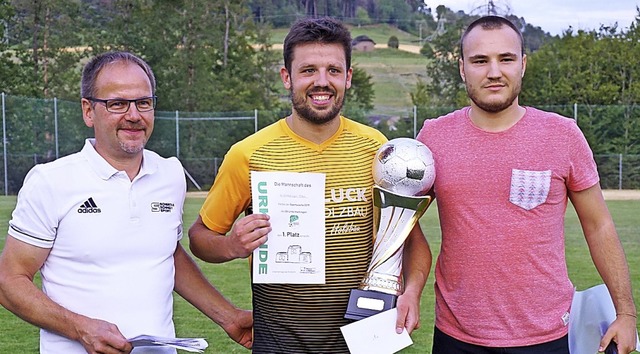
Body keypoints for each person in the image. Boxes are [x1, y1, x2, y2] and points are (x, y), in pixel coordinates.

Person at [188, 17, 431, 353]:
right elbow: (200, 238)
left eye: (333, 70)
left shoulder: (375, 148)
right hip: (277, 339)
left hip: (363, 338)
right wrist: (232, 246)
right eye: (308, 71)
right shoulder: (249, 153)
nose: (322, 82)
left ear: (348, 77)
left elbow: (409, 237)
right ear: (287, 77)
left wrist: (412, 293)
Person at [0, 51, 253, 354]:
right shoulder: (50, 181)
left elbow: (166, 256)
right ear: (88, 111)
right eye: (117, 103)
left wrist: (229, 317)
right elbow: (9, 280)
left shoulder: (170, 173)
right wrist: (80, 328)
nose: (134, 115)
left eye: (143, 102)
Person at [416, 15, 638, 354]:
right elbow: (401, 222)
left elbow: (599, 224)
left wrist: (625, 312)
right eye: (479, 61)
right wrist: (404, 291)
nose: (493, 72)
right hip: (456, 336)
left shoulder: (562, 135)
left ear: (523, 64)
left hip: (546, 336)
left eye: (505, 59)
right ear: (462, 68)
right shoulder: (434, 136)